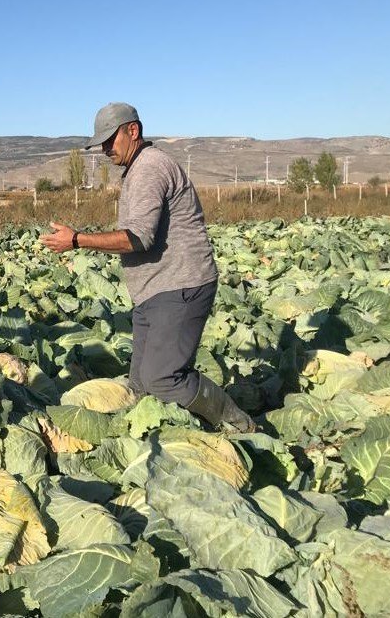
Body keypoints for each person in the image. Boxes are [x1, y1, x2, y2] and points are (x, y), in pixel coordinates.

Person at [40, 102, 255, 432]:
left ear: (133, 130)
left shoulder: (149, 167)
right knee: (141, 383)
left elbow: (138, 238)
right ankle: (168, 437)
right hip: (154, 290)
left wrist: (78, 240)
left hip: (180, 285)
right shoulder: (139, 168)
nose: (105, 149)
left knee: (162, 379)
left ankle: (240, 425)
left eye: (109, 140)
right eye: (101, 143)